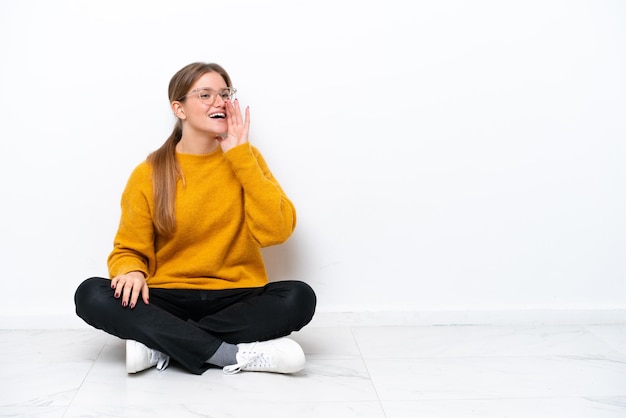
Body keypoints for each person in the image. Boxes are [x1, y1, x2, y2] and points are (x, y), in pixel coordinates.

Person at [74, 62, 316, 375]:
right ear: (180, 109)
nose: (220, 102)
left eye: (225, 94)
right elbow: (128, 248)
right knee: (90, 294)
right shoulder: (149, 172)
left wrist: (240, 156)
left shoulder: (247, 159)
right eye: (205, 95)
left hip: (236, 296)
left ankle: (160, 344)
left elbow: (277, 230)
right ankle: (231, 354)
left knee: (299, 297)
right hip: (166, 296)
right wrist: (131, 270)